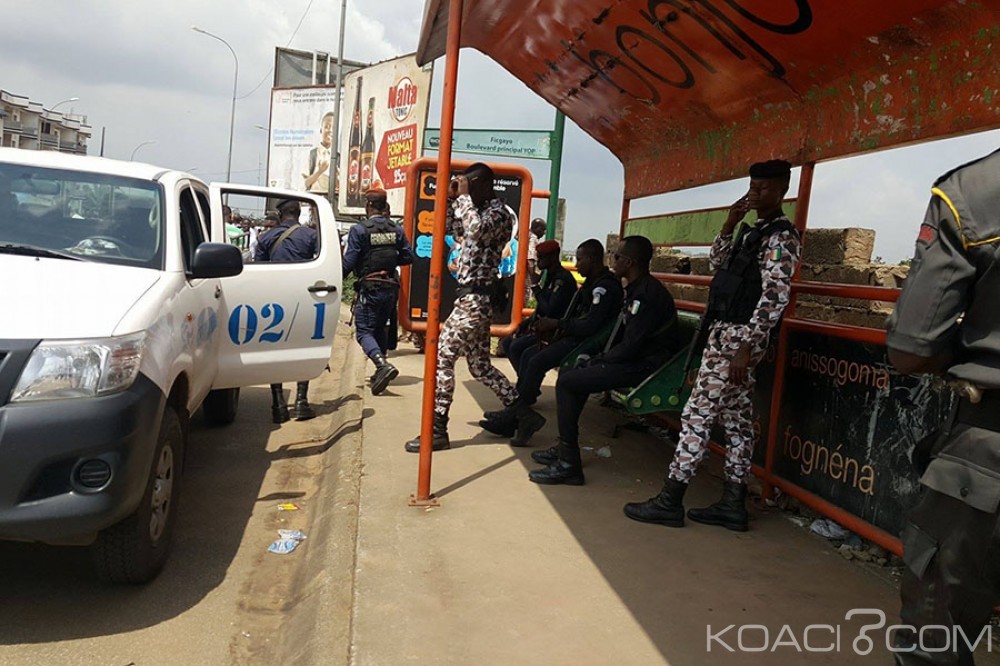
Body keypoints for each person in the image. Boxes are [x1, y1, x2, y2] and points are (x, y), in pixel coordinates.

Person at [624, 160, 800, 531]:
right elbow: (718, 266)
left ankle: (671, 499)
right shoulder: (752, 232)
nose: (757, 194)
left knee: (696, 415)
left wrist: (746, 346)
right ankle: (733, 504)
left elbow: (775, 297)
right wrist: (729, 224)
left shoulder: (781, 237)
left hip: (739, 339)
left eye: (765, 188)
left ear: (783, 189)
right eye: (753, 187)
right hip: (726, 334)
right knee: (737, 422)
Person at [883, 148, 1000, 664]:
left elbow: (911, 347)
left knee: (936, 637)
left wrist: (966, 357)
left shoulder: (971, 193)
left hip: (988, 449)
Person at [405, 163, 545, 453]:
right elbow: (452, 229)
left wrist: (465, 198)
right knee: (480, 366)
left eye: (469, 185)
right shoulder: (475, 211)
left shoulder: (497, 215)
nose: (466, 191)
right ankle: (523, 414)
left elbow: (476, 230)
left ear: (482, 185)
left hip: (476, 300)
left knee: (442, 357)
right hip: (472, 300)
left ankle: (437, 429)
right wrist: (452, 199)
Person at [527, 235, 678, 485]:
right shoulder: (637, 288)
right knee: (574, 375)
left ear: (629, 262)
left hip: (647, 367)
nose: (613, 261)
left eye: (616, 257)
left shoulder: (647, 295)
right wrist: (596, 357)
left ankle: (569, 464)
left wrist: (601, 360)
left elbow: (631, 346)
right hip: (633, 359)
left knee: (568, 381)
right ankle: (565, 449)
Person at [482, 238, 621, 438]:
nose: (576, 264)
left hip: (584, 342)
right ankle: (518, 413)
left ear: (592, 259)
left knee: (535, 359)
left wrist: (558, 324)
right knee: (527, 353)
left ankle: (518, 415)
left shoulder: (603, 287)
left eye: (580, 260)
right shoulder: (591, 282)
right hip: (571, 335)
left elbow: (590, 325)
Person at [343, 188, 413, 395]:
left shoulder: (360, 230)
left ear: (368, 205)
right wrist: (389, 262)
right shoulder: (396, 229)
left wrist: (336, 278)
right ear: (384, 205)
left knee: (364, 331)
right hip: (390, 286)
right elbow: (408, 257)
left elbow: (350, 261)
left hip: (370, 286)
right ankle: (379, 371)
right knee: (380, 327)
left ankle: (382, 365)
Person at [255, 198, 320, 423]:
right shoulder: (311, 236)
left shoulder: (265, 238)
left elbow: (259, 272)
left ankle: (278, 405)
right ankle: (301, 402)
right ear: (298, 214)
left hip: (274, 303)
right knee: (304, 348)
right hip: (304, 299)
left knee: (276, 351)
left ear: (281, 215)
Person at [498, 238, 576, 368]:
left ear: (552, 257)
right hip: (540, 327)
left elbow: (549, 309)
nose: (538, 261)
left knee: (518, 347)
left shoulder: (562, 279)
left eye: (541, 257)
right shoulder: (550, 276)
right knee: (507, 343)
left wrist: (535, 286)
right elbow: (540, 309)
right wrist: (525, 323)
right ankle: (524, 380)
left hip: (554, 332)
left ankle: (526, 384)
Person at [303, 112, 335, 193]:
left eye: (333, 128)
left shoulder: (338, 157)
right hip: (314, 199)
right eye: (327, 127)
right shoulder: (312, 154)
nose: (330, 131)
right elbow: (306, 183)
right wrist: (320, 171)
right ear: (321, 130)